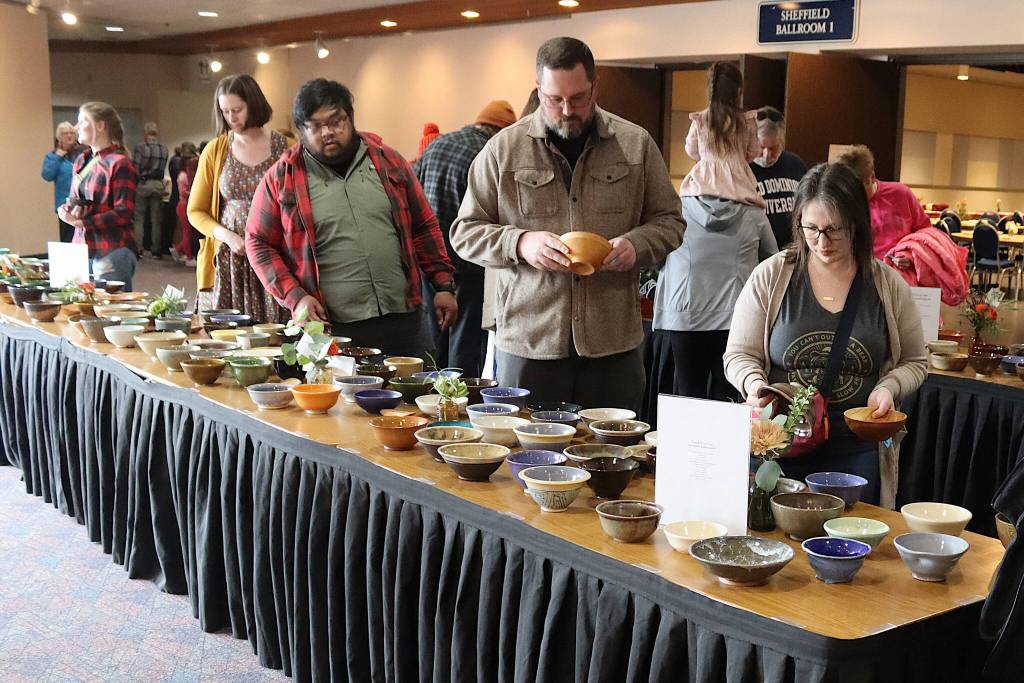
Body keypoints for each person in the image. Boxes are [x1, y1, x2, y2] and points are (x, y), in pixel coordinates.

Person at [450, 37, 684, 410]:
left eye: (577, 98)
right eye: (553, 99)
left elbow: (670, 221)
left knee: (614, 445)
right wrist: (520, 243)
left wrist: (637, 245)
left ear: (595, 87)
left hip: (612, 345)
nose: (565, 110)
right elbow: (465, 232)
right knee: (524, 444)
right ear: (538, 88)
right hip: (530, 342)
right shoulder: (503, 150)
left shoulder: (635, 145)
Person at [723, 163, 927, 505]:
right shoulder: (772, 276)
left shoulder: (887, 285)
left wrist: (888, 387)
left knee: (853, 532)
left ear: (856, 224)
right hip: (781, 440)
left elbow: (915, 360)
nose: (822, 241)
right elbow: (738, 354)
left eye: (834, 229)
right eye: (811, 228)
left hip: (857, 446)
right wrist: (755, 385)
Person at [246, 78, 457, 357]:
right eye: (315, 126)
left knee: (416, 385)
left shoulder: (389, 162)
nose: (328, 132)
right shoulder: (281, 178)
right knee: (336, 388)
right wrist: (295, 297)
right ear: (300, 131)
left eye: (336, 121)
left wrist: (442, 285)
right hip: (330, 327)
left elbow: (424, 226)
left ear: (351, 118)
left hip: (403, 318)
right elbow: (258, 242)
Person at [653, 63, 776, 404]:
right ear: (739, 90)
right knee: (728, 400)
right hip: (734, 319)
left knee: (688, 397)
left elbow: (692, 150)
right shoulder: (752, 214)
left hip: (683, 317)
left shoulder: (678, 212)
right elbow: (773, 261)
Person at [416, 100, 517, 377]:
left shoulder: (436, 145)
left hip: (430, 264)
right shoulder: (490, 154)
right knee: (465, 348)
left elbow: (412, 199)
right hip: (470, 265)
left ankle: (426, 396)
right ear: (501, 131)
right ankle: (459, 399)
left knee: (431, 342)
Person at [187, 74, 290, 322]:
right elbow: (195, 211)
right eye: (225, 112)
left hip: (273, 255)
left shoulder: (286, 147)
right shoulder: (216, 150)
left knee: (276, 332)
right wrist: (227, 236)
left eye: (237, 110)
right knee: (224, 333)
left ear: (254, 104)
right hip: (229, 257)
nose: (231, 118)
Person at [57, 101, 139, 289]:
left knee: (112, 305)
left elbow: (123, 212)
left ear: (100, 126)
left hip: (111, 248)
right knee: (80, 303)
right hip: (81, 247)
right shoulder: (82, 160)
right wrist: (67, 210)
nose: (76, 127)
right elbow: (74, 199)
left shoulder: (119, 163)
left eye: (82, 121)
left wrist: (83, 222)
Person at [836, 144, 931, 268]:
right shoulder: (842, 204)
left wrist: (910, 255)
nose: (854, 195)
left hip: (900, 272)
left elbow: (926, 233)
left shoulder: (900, 193)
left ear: (872, 177)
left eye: (859, 189)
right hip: (862, 271)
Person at [750, 106, 807, 248]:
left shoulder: (796, 164)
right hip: (757, 251)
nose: (766, 155)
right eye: (762, 147)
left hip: (792, 249)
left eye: (773, 148)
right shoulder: (743, 169)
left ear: (782, 142)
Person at [132, 121, 169, 258]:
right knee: (156, 219)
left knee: (139, 218)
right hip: (158, 184)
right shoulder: (164, 149)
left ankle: (138, 248)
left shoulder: (140, 147)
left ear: (145, 133)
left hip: (143, 183)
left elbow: (136, 168)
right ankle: (156, 250)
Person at [41, 121, 79, 242]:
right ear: (59, 137)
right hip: (65, 205)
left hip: (82, 204)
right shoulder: (52, 156)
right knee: (68, 240)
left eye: (72, 133)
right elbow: (47, 175)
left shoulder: (82, 153)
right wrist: (58, 156)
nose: (69, 136)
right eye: (65, 133)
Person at [174, 142, 200, 266]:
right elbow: (183, 192)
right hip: (184, 206)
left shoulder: (187, 175)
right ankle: (189, 257)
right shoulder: (183, 176)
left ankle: (178, 250)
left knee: (188, 232)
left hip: (186, 205)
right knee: (187, 232)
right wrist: (195, 193)